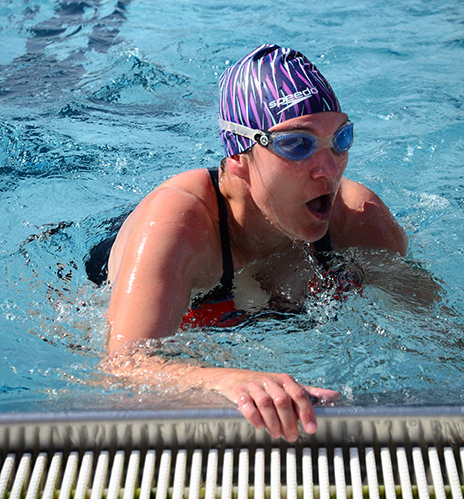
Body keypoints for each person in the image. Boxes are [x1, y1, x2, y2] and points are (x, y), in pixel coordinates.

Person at [105, 43, 408, 442]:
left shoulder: (359, 221)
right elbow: (123, 368)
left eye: (340, 139)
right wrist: (228, 380)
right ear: (238, 157)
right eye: (297, 144)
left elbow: (440, 332)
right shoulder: (178, 226)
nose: (328, 168)